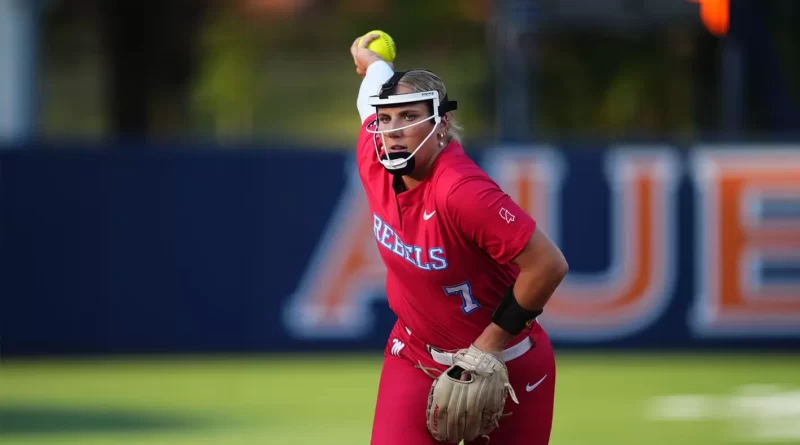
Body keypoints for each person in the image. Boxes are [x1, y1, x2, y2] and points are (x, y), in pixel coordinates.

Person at [350, 34, 569, 445]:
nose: (393, 131)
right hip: (414, 355)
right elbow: (370, 94)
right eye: (386, 119)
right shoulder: (373, 151)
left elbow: (548, 264)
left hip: (504, 365)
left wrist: (485, 349)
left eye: (408, 117)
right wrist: (372, 62)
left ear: (441, 123)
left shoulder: (461, 190)